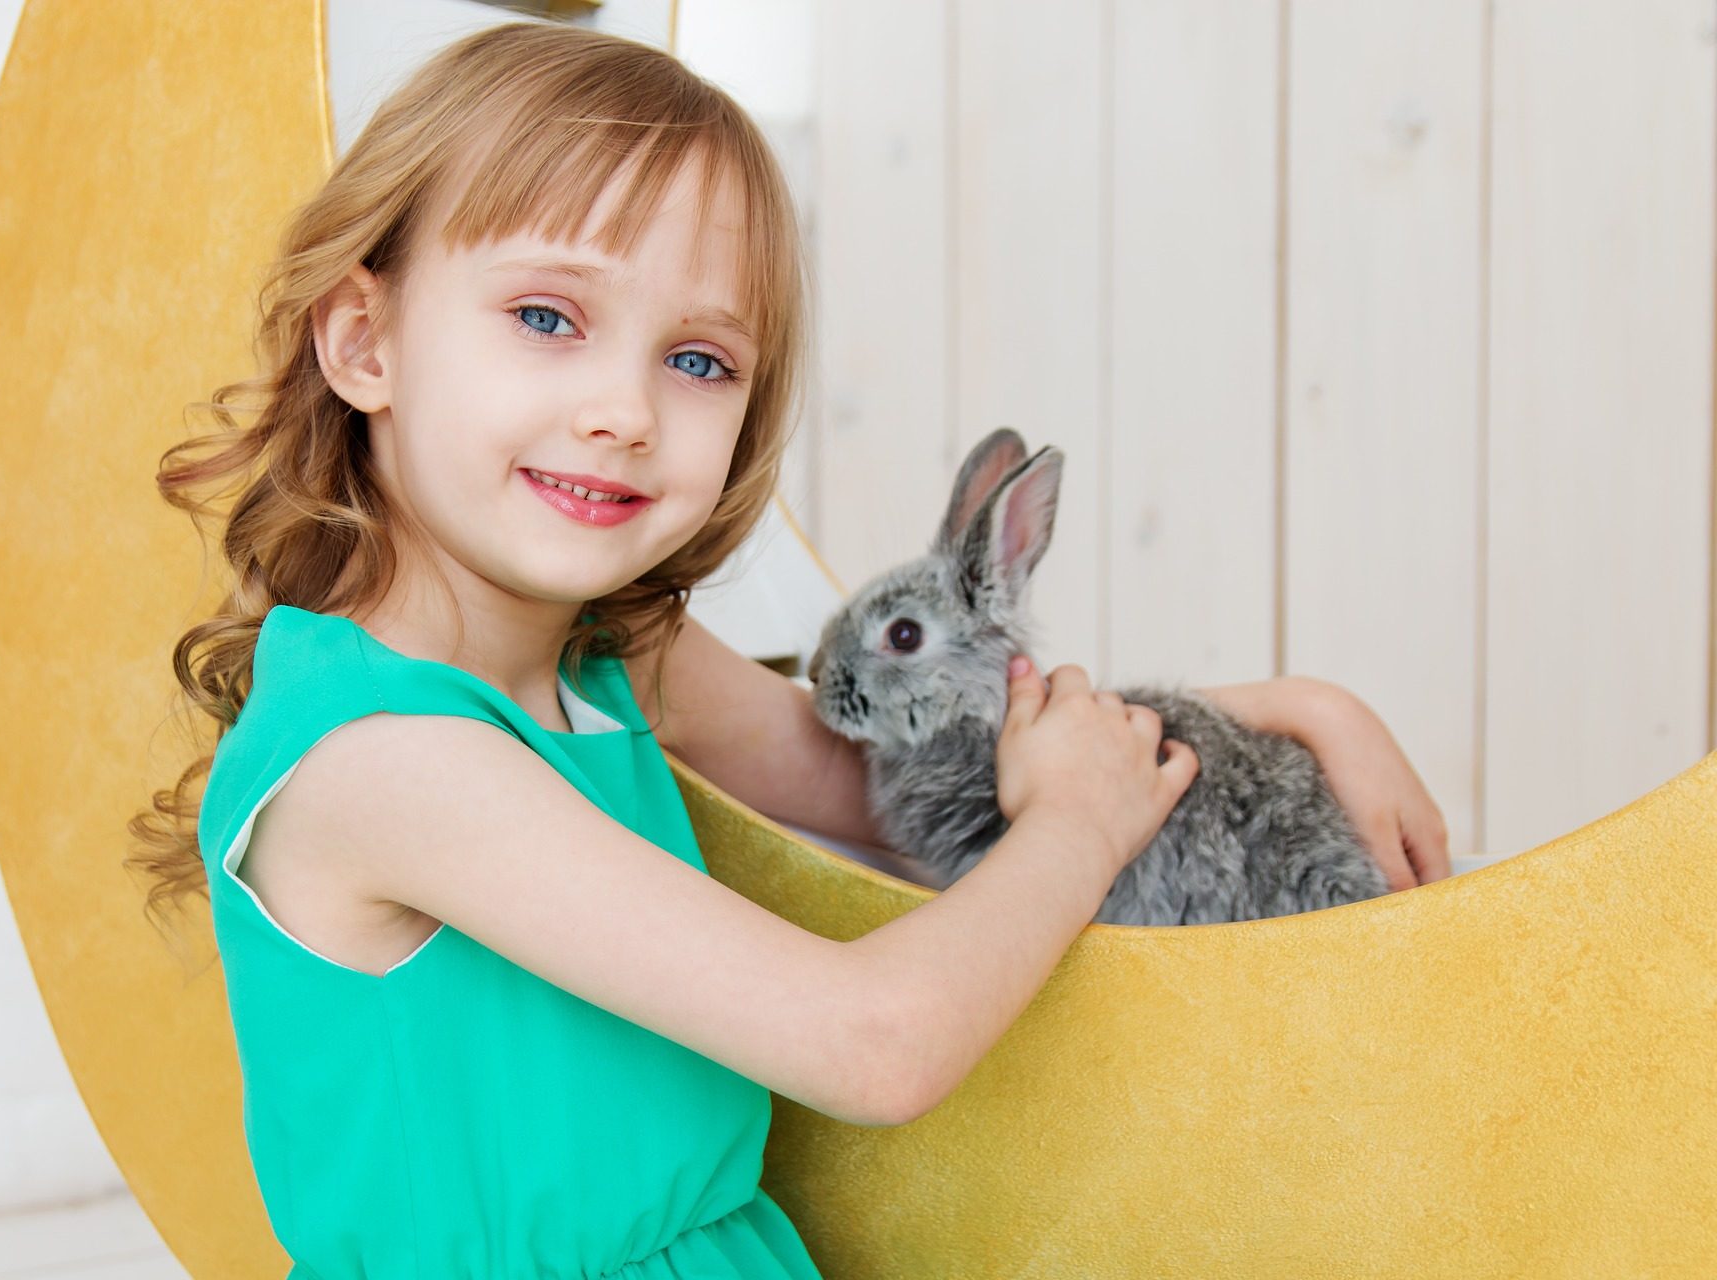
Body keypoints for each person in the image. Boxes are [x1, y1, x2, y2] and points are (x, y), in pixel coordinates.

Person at [127, 20, 1448, 1279]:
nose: (624, 411)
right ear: (366, 342)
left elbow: (924, 781)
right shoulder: (390, 766)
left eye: (698, 359)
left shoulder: (614, 663)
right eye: (546, 317)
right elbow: (873, 1046)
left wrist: (1292, 705)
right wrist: (1074, 834)